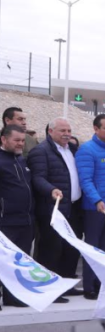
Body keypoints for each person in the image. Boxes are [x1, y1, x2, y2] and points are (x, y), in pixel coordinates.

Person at [28, 117, 82, 296]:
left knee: (71, 248)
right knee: (51, 249)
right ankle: (50, 289)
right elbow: (37, 178)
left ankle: (66, 285)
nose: (67, 134)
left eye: (69, 131)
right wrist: (51, 189)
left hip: (74, 207)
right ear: (50, 131)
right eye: (62, 131)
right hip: (53, 209)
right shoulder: (40, 151)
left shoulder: (73, 150)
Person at [75, 114, 105, 300]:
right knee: (93, 248)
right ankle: (89, 286)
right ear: (96, 129)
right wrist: (96, 200)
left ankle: (102, 283)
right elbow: (85, 180)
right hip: (95, 208)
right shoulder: (87, 150)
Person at [0, 125, 35, 307]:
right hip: (6, 222)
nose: (21, 144)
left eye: (22, 140)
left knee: (19, 263)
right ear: (4, 140)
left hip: (26, 220)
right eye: (17, 140)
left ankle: (13, 296)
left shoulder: (21, 160)